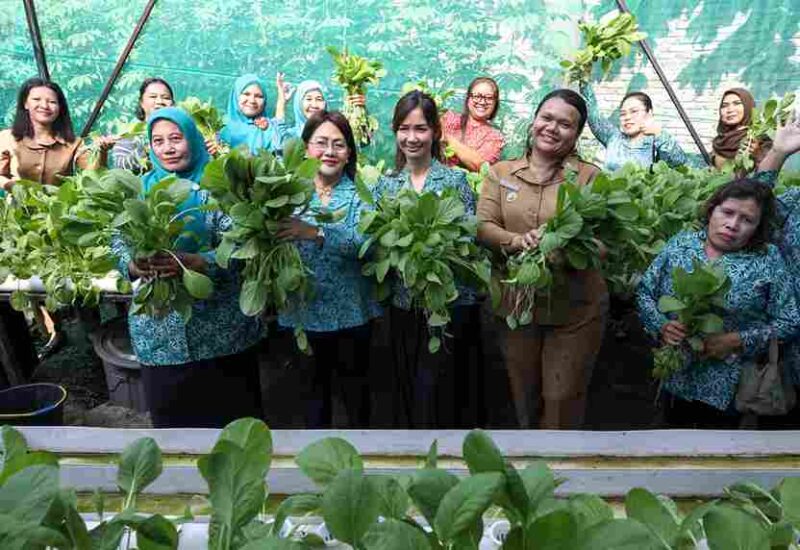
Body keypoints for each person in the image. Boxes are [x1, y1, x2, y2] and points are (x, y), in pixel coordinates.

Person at [111, 107, 264, 428]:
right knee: (175, 434)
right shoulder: (139, 191)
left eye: (176, 138)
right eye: (158, 141)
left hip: (223, 332)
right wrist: (133, 265)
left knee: (235, 430)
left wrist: (202, 261)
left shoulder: (221, 189)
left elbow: (244, 246)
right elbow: (117, 242)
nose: (168, 148)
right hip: (160, 334)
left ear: (193, 140)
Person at [477, 89, 607, 429]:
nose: (552, 128)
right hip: (517, 304)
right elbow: (483, 226)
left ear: (577, 134)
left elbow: (603, 244)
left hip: (575, 308)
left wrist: (562, 246)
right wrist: (517, 241)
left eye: (565, 124)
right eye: (546, 118)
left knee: (561, 398)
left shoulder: (589, 177)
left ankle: (559, 459)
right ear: (534, 120)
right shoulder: (501, 173)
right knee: (523, 396)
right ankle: (530, 458)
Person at [637, 178, 800, 428]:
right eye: (727, 212)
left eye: (747, 220)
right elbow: (645, 292)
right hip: (675, 374)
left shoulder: (767, 259)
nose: (733, 225)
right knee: (672, 438)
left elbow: (789, 322)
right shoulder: (682, 244)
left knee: (718, 446)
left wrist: (736, 340)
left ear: (758, 227)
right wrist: (662, 325)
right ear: (712, 209)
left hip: (730, 388)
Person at [375, 90, 482, 428]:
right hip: (403, 303)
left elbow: (469, 239)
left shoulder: (454, 180)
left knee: (440, 390)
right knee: (407, 388)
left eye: (420, 128)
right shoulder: (386, 185)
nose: (412, 137)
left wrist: (433, 248)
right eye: (404, 128)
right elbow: (376, 242)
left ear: (435, 131)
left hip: (447, 304)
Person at [276, 111, 381, 428]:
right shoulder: (287, 193)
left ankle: (360, 454)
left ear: (349, 152)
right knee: (311, 403)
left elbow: (367, 245)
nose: (329, 151)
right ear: (306, 148)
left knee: (356, 402)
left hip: (351, 315)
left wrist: (316, 232)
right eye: (321, 143)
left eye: (339, 144)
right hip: (300, 314)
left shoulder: (362, 194)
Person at [0, 77, 114, 191]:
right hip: (18, 202)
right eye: (36, 99)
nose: (44, 106)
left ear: (60, 108)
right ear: (25, 103)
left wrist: (102, 151)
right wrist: (14, 187)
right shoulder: (7, 138)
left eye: (52, 102)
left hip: (60, 202)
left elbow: (94, 176)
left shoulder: (74, 143)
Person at [580, 81, 695, 172]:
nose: (627, 117)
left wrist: (659, 134)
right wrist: (583, 80)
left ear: (649, 113)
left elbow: (679, 163)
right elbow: (594, 117)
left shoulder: (657, 142)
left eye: (634, 111)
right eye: (623, 114)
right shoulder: (614, 138)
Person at [441, 77, 505, 170]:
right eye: (477, 96)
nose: (482, 102)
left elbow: (480, 166)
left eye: (489, 98)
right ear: (468, 98)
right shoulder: (448, 118)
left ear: (495, 103)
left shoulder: (495, 137)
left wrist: (447, 137)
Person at [112, 77, 174, 172]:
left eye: (166, 98)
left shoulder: (181, 132)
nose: (159, 101)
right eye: (153, 97)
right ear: (141, 102)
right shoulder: (131, 133)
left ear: (172, 104)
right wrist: (148, 147)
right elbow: (121, 167)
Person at [218, 73, 287, 155]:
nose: (252, 101)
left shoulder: (268, 129)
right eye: (246, 94)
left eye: (259, 96)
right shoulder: (219, 127)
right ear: (236, 96)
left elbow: (281, 152)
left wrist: (282, 102)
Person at [711, 88, 771, 170]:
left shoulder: (759, 139)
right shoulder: (719, 141)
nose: (730, 110)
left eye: (737, 103)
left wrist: (757, 153)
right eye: (724, 106)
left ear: (748, 106)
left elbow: (769, 172)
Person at [277, 80, 327, 144]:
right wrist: (282, 102)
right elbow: (279, 141)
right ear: (299, 103)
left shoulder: (333, 132)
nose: (314, 105)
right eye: (309, 99)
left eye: (319, 99)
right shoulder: (292, 135)